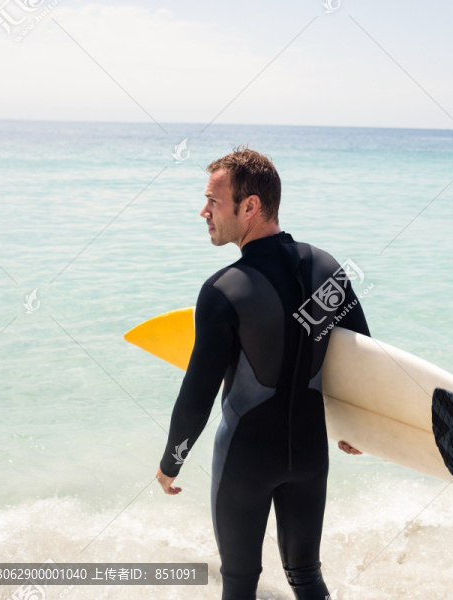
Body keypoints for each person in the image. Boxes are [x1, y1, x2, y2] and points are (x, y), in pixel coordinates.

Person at [155, 146, 370, 600]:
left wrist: (171, 462)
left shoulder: (223, 289)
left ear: (249, 206)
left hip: (246, 460)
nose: (203, 212)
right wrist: (360, 429)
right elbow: (363, 360)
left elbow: (197, 392)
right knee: (306, 576)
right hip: (310, 456)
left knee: (238, 582)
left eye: (213, 201)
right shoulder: (328, 269)